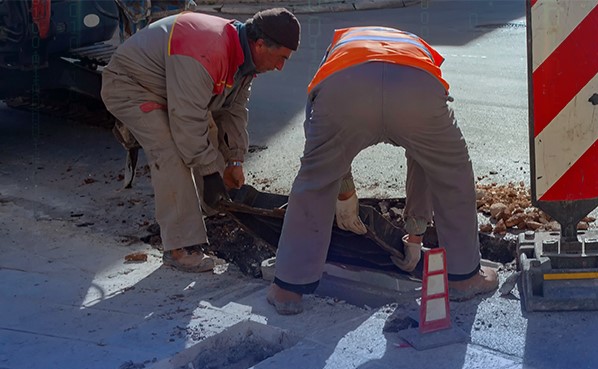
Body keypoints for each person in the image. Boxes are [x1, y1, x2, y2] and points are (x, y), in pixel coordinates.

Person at [267, 26, 499, 315]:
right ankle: (465, 279)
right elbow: (424, 163)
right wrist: (415, 233)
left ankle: (287, 289)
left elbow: (318, 140)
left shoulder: (339, 46)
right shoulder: (418, 47)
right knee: (452, 173)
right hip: (415, 93)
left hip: (345, 89)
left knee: (314, 180)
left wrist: (344, 192)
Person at [101, 8, 300, 272]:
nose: (280, 67)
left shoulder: (245, 58)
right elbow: (187, 122)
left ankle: (211, 205)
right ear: (261, 44)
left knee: (205, 135)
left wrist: (234, 161)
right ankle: (180, 247)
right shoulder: (208, 50)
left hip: (174, 87)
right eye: (281, 58)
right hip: (131, 85)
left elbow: (234, 110)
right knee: (172, 151)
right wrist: (209, 174)